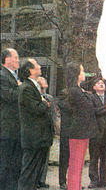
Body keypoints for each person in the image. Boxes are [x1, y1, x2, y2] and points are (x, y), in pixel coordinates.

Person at [18, 59, 54, 190]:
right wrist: (44, 103)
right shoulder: (26, 88)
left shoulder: (33, 86)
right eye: (37, 65)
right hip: (33, 138)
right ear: (31, 70)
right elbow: (37, 109)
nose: (39, 67)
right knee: (28, 173)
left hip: (39, 138)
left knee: (34, 173)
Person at [67, 62, 99, 190]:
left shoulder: (79, 90)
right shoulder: (75, 90)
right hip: (78, 132)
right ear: (76, 74)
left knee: (79, 165)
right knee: (76, 164)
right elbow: (89, 107)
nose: (84, 73)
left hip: (83, 131)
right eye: (82, 71)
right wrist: (90, 97)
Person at [88, 78, 106, 189]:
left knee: (105, 158)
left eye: (102, 83)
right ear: (94, 87)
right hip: (96, 132)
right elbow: (92, 112)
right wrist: (105, 108)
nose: (101, 84)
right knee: (94, 157)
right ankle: (94, 180)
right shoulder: (91, 98)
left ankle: (103, 180)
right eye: (98, 83)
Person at [0, 48, 22, 190]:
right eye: (16, 57)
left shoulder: (13, 76)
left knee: (14, 164)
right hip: (7, 128)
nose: (19, 60)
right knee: (5, 164)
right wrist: (22, 88)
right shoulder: (2, 75)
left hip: (15, 128)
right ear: (7, 59)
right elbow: (8, 96)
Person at [36, 77, 56, 188]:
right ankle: (35, 179)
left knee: (45, 156)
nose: (45, 84)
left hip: (48, 130)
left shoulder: (49, 98)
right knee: (37, 156)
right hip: (38, 131)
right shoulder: (35, 97)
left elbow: (52, 114)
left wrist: (53, 128)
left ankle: (42, 179)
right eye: (43, 82)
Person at [57, 88, 73, 190]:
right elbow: (66, 107)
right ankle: (62, 181)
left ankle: (73, 181)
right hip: (67, 131)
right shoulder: (64, 95)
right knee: (64, 157)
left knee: (74, 158)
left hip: (76, 131)